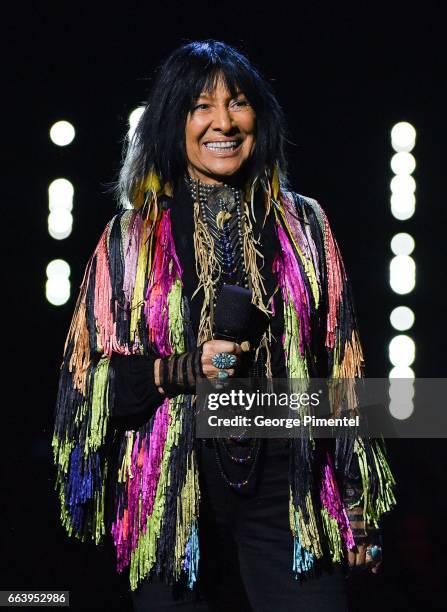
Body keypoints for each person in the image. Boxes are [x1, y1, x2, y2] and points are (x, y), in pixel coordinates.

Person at [52, 40, 396, 611]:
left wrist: (356, 504)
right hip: (172, 495)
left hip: (289, 490)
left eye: (237, 103)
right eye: (200, 107)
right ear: (172, 122)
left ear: (259, 115)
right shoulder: (130, 238)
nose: (223, 123)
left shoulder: (305, 224)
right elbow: (88, 386)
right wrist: (180, 369)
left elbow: (340, 368)